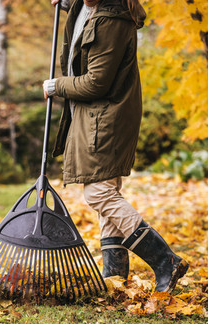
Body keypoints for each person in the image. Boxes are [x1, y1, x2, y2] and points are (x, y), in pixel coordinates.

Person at [43, 0, 188, 293]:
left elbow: (96, 82)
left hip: (107, 113)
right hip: (96, 113)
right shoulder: (86, 6)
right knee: (107, 189)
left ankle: (165, 260)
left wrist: (56, 86)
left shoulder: (112, 20)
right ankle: (115, 278)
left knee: (98, 192)